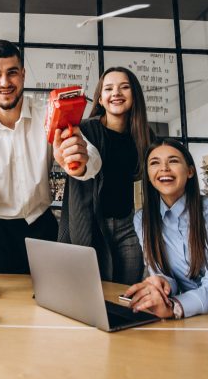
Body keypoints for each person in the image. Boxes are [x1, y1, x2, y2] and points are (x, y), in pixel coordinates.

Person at [0, 39, 102, 306]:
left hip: (42, 226)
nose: (5, 82)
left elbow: (93, 162)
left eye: (12, 72)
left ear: (23, 74)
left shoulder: (48, 114)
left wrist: (77, 162)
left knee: (52, 305)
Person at [59, 67, 153, 284]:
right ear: (100, 99)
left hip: (128, 226)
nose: (116, 93)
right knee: (90, 290)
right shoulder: (84, 131)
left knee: (126, 293)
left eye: (124, 87)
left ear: (135, 95)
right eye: (108, 88)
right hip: (92, 223)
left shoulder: (145, 136)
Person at [125, 138, 208, 319]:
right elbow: (163, 273)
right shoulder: (142, 220)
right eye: (154, 163)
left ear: (190, 171)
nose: (164, 168)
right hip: (184, 317)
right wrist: (161, 283)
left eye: (173, 161)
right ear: (149, 175)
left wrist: (176, 306)